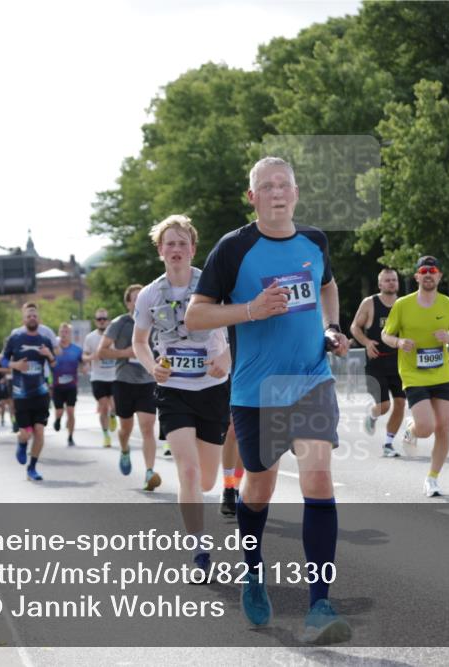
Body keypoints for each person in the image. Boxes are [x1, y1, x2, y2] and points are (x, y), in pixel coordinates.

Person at [185, 156, 352, 644]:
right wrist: (250, 310)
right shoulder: (234, 249)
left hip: (310, 379)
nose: (277, 193)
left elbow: (326, 285)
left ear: (296, 193)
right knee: (259, 485)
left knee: (318, 476)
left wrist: (331, 329)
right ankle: (253, 571)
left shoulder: (315, 241)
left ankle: (319, 603)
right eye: (267, 186)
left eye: (285, 185)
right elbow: (196, 317)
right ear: (252, 196)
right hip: (257, 390)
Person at [134, 215, 231, 576]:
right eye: (169, 244)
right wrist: (151, 367)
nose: (176, 249)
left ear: (192, 248)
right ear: (160, 251)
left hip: (212, 388)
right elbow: (139, 341)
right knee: (187, 471)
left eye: (182, 243)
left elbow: (240, 324)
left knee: (207, 479)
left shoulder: (214, 284)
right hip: (173, 390)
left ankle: (205, 508)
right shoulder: (148, 294)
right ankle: (199, 551)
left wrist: (226, 356)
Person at [380, 256, 449, 497]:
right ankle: (412, 427)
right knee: (426, 427)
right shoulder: (402, 305)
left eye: (433, 270)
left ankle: (432, 478)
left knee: (443, 425)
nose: (429, 274)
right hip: (413, 375)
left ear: (440, 276)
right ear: (417, 277)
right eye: (424, 271)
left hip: (442, 374)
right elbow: (385, 335)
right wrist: (399, 341)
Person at [99, 284, 161, 489]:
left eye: (143, 297)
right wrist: (126, 353)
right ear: (128, 303)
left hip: (147, 381)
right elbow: (102, 351)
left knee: (148, 426)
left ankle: (149, 472)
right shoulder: (120, 323)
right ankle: (124, 449)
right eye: (135, 298)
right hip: (123, 381)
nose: (140, 301)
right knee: (125, 428)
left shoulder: (158, 321)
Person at [350, 268, 405, 457]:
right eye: (387, 280)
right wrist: (366, 342)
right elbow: (355, 327)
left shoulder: (404, 304)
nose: (391, 283)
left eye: (394, 280)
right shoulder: (370, 303)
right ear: (380, 284)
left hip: (399, 363)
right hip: (377, 363)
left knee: (400, 403)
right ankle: (373, 414)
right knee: (384, 406)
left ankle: (388, 444)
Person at [3, 303, 57, 481]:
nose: (32, 318)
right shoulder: (15, 339)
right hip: (21, 394)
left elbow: (54, 365)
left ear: (38, 319)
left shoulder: (45, 340)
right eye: (29, 316)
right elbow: (2, 361)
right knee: (26, 432)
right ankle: (21, 442)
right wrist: (15, 365)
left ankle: (32, 468)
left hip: (41, 393)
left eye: (34, 316)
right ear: (24, 320)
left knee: (39, 432)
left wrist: (49, 355)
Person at [83, 307, 118, 447]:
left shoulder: (115, 336)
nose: (102, 321)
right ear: (95, 321)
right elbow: (84, 356)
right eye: (99, 319)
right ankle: (106, 436)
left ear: (108, 321)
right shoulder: (90, 338)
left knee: (115, 406)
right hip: (98, 377)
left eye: (104, 319)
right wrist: (93, 356)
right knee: (103, 407)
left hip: (115, 376)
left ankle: (113, 415)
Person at [52, 322, 83, 447]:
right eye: (62, 332)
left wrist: (85, 367)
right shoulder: (54, 350)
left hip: (71, 386)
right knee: (59, 410)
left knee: (71, 411)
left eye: (66, 332)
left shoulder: (76, 350)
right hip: (57, 386)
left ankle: (70, 437)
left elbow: (83, 363)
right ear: (58, 334)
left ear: (70, 334)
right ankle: (58, 419)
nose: (64, 334)